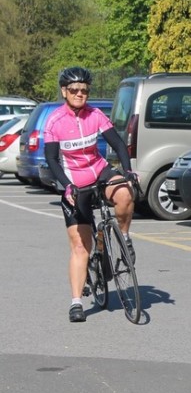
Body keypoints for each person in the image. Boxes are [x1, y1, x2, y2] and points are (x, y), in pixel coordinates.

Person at [44, 67, 138, 323]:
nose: (79, 94)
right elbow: (51, 159)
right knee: (79, 247)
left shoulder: (95, 115)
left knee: (124, 194)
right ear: (64, 91)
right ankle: (76, 301)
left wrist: (128, 170)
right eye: (74, 90)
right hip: (73, 182)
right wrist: (66, 186)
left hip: (98, 171)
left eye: (84, 90)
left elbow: (118, 144)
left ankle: (125, 237)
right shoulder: (54, 121)